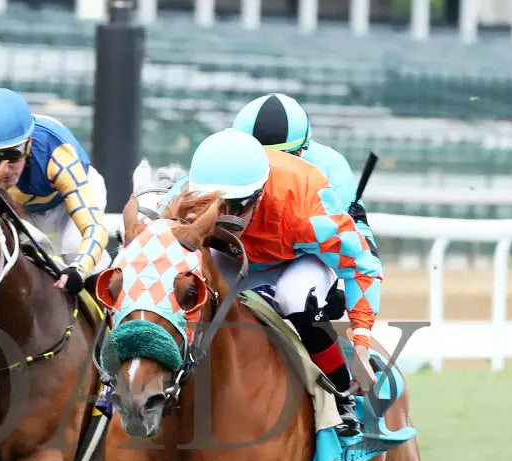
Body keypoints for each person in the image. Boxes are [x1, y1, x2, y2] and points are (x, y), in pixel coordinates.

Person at [160, 128, 383, 437]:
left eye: (236, 207)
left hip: (299, 256)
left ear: (260, 194)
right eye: (212, 205)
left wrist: (361, 343)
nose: (226, 218)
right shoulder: (180, 201)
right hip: (232, 254)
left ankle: (341, 392)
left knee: (294, 297)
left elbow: (361, 266)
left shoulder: (306, 207)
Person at [0, 87, 111, 295]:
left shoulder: (57, 153)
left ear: (29, 144)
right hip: (18, 207)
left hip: (68, 199)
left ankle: (109, 316)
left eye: (13, 154)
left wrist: (79, 269)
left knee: (73, 247)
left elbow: (94, 229)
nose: (4, 168)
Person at [232, 92, 378, 256]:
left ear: (304, 149)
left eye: (285, 155)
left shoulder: (331, 166)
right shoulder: (221, 160)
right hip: (240, 252)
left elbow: (355, 233)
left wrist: (366, 254)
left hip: (299, 258)